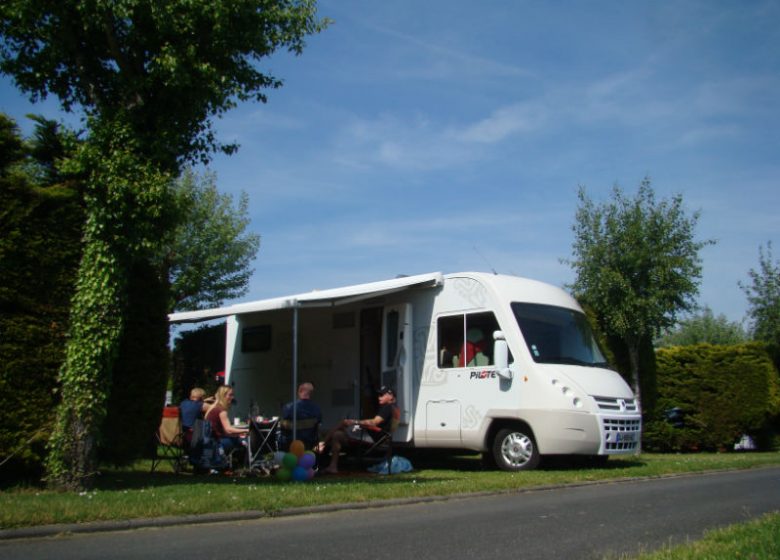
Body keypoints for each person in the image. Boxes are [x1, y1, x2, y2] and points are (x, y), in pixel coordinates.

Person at [319, 386, 398, 474]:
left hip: (375, 439)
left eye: (382, 395)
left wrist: (355, 422)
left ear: (391, 396)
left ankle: (323, 444)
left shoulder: (387, 408)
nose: (379, 397)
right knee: (339, 432)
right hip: (380, 437)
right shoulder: (394, 408)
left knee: (342, 426)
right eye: (379, 395)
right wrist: (360, 425)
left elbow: (374, 422)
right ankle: (330, 461)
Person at [205, 385, 249, 461]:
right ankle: (246, 462)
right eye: (230, 395)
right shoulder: (221, 410)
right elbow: (228, 429)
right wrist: (247, 430)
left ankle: (236, 461)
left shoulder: (213, 407)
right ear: (223, 395)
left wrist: (238, 433)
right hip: (217, 442)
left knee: (238, 437)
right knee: (245, 440)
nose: (232, 397)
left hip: (209, 440)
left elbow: (223, 431)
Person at [280, 382, 322, 450]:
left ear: (300, 391)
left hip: (291, 444)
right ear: (311, 393)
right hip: (309, 445)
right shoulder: (317, 409)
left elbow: (283, 427)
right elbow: (318, 428)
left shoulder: (288, 407)